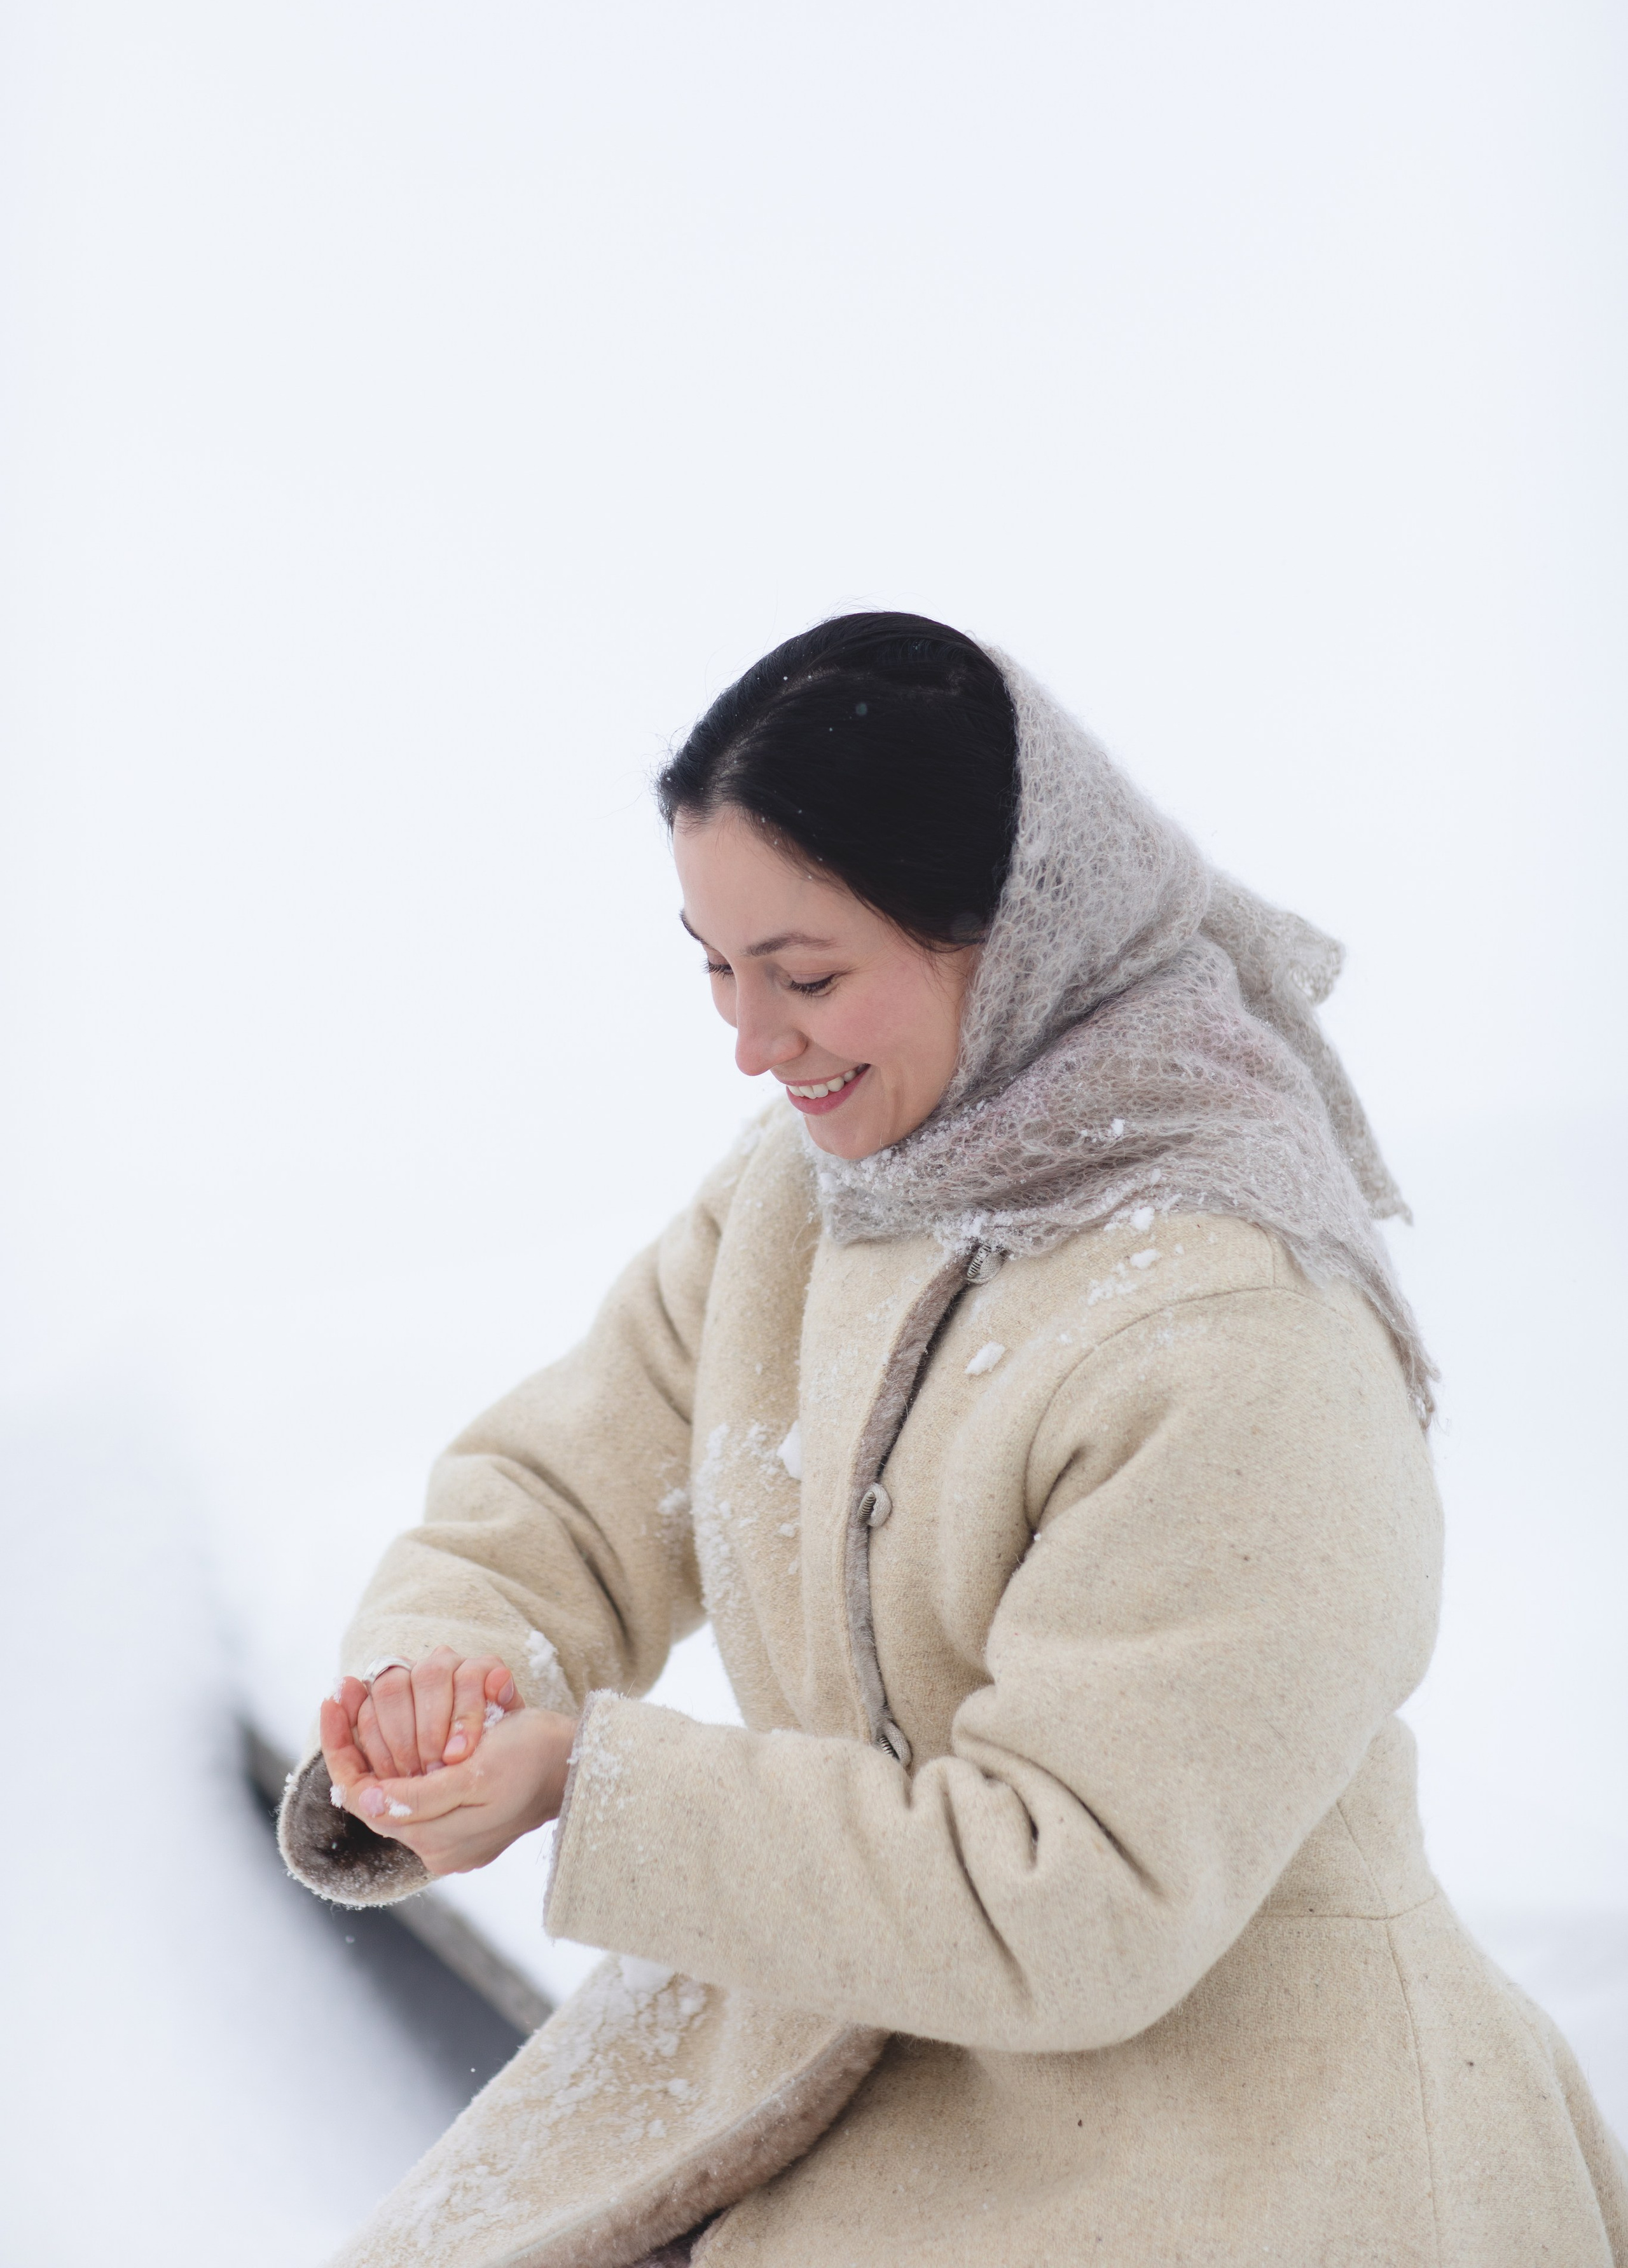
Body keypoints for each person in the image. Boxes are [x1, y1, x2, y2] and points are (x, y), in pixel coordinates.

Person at [280, 613, 1627, 2268]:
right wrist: (452, 1680)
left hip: (1228, 2148)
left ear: (1018, 932)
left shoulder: (1240, 1337)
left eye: (810, 974)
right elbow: (561, 1488)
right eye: (716, 968)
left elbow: (1075, 1901)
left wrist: (593, 1790)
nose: (754, 1046)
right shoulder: (812, 1192)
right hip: (837, 2044)